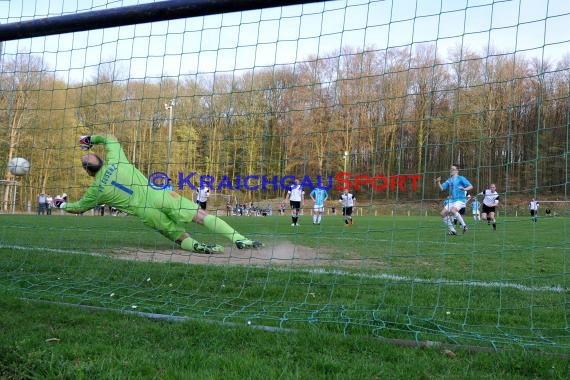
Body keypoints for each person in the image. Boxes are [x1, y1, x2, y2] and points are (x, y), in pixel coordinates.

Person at [57, 134, 262, 254]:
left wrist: (62, 205)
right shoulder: (116, 159)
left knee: (179, 237)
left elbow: (79, 208)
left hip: (146, 212)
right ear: (101, 159)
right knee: (202, 216)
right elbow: (109, 137)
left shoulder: (95, 191)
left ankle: (201, 248)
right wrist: (89, 139)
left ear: (88, 172)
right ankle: (239, 239)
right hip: (160, 195)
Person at [436, 165, 473, 235]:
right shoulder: (449, 180)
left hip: (460, 199)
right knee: (442, 213)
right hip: (452, 200)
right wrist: (438, 182)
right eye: (451, 169)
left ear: (457, 171)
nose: (451, 170)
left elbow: (471, 186)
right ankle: (453, 230)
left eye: (453, 169)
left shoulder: (461, 178)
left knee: (453, 210)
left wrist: (464, 189)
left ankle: (464, 226)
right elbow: (442, 188)